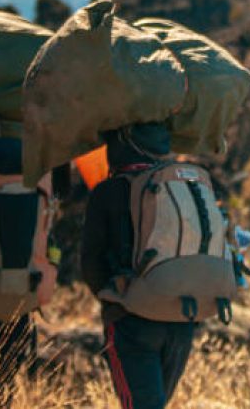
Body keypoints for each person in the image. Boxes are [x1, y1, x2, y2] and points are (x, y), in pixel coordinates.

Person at [81, 122, 195, 409]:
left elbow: (91, 263)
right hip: (182, 319)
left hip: (132, 319)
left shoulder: (107, 191)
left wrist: (115, 301)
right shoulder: (186, 185)